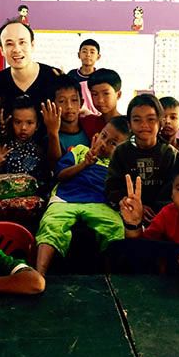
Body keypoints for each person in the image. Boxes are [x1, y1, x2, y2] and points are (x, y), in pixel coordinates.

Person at [35, 116, 130, 275]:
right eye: (103, 136)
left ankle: (113, 279)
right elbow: (60, 175)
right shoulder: (80, 150)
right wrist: (84, 164)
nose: (104, 144)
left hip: (100, 204)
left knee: (117, 228)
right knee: (50, 225)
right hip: (65, 199)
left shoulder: (119, 165)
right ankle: (39, 274)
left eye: (113, 143)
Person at [105, 94, 178, 224]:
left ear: (160, 122)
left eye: (151, 119)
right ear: (129, 125)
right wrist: (136, 206)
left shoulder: (170, 154)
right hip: (127, 211)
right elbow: (112, 188)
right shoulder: (121, 152)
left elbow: (175, 190)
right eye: (137, 120)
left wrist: (155, 209)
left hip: (163, 214)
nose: (144, 124)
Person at [0, 20, 62, 112]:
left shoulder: (55, 77)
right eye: (9, 44)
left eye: (22, 42)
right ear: (2, 50)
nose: (17, 49)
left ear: (32, 45)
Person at [0, 95, 46, 185]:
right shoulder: (3, 150)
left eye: (29, 123)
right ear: (11, 122)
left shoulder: (40, 151)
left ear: (37, 125)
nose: (23, 128)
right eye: (18, 122)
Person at [41, 75, 89, 169]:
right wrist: (53, 133)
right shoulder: (50, 138)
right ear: (52, 105)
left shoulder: (89, 129)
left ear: (81, 103)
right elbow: (55, 167)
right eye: (62, 101)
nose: (69, 106)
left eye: (74, 100)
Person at [80, 68, 123, 140]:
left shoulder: (127, 125)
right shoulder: (89, 122)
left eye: (106, 93)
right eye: (95, 94)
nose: (100, 100)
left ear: (118, 95)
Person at [68, 39, 101, 115]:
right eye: (84, 51)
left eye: (92, 52)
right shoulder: (72, 75)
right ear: (79, 55)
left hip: (96, 117)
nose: (88, 55)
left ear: (98, 57)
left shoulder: (100, 76)